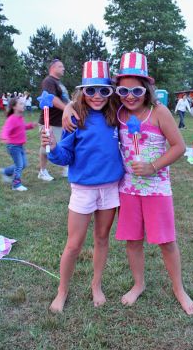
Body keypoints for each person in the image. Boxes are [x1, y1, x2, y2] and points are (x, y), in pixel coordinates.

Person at [63, 52, 193, 316]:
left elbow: (179, 146)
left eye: (136, 90)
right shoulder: (119, 110)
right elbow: (88, 99)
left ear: (146, 89)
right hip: (126, 189)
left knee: (166, 241)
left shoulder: (159, 112)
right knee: (133, 241)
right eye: (123, 90)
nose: (130, 95)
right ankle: (138, 284)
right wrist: (68, 106)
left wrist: (153, 166)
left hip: (156, 189)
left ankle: (178, 289)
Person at [41, 60, 124, 313]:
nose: (97, 96)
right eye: (90, 91)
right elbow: (64, 157)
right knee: (74, 244)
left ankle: (95, 285)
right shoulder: (76, 118)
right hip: (83, 189)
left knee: (102, 238)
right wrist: (54, 146)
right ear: (82, 92)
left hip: (110, 189)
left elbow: (136, 96)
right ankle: (62, 290)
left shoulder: (116, 115)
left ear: (110, 91)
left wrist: (66, 106)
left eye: (103, 90)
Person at [38, 59, 69, 181]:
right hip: (48, 121)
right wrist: (67, 109)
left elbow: (64, 98)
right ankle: (42, 171)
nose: (63, 68)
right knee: (46, 147)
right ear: (53, 68)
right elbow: (52, 98)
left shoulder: (59, 83)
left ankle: (66, 167)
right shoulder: (48, 81)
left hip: (60, 121)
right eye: (60, 66)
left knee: (65, 144)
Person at [0, 97, 38, 191]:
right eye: (20, 103)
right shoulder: (11, 119)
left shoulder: (20, 117)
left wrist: (30, 125)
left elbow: (22, 127)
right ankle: (16, 185)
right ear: (14, 107)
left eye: (23, 103)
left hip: (20, 146)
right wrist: (4, 136)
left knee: (23, 164)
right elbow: (5, 130)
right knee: (19, 165)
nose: (23, 105)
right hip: (13, 146)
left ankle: (6, 172)